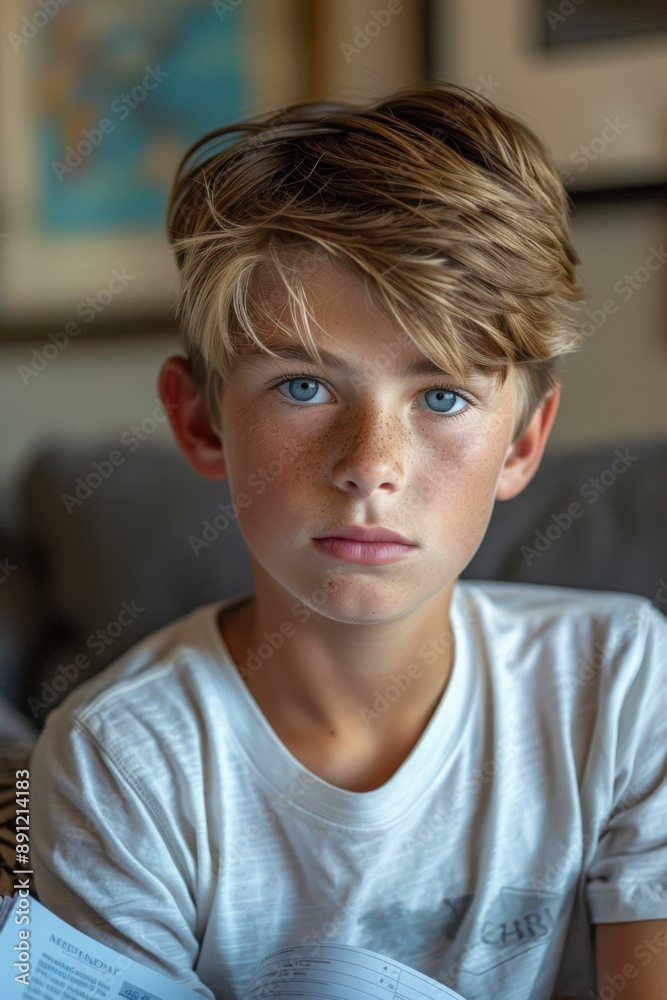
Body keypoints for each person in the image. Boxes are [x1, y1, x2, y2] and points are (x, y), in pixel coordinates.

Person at [29, 82, 667, 1000]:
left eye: (441, 396)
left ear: (521, 442)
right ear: (202, 423)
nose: (370, 465)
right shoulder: (118, 760)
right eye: (301, 387)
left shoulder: (623, 683)